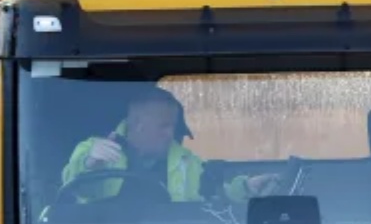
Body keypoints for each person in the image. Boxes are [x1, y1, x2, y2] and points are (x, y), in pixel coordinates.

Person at [58, 85, 277, 216]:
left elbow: (214, 193)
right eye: (164, 126)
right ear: (139, 125)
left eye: (172, 126)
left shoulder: (185, 160)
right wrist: (90, 165)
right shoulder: (94, 149)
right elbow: (72, 187)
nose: (170, 134)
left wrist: (247, 188)